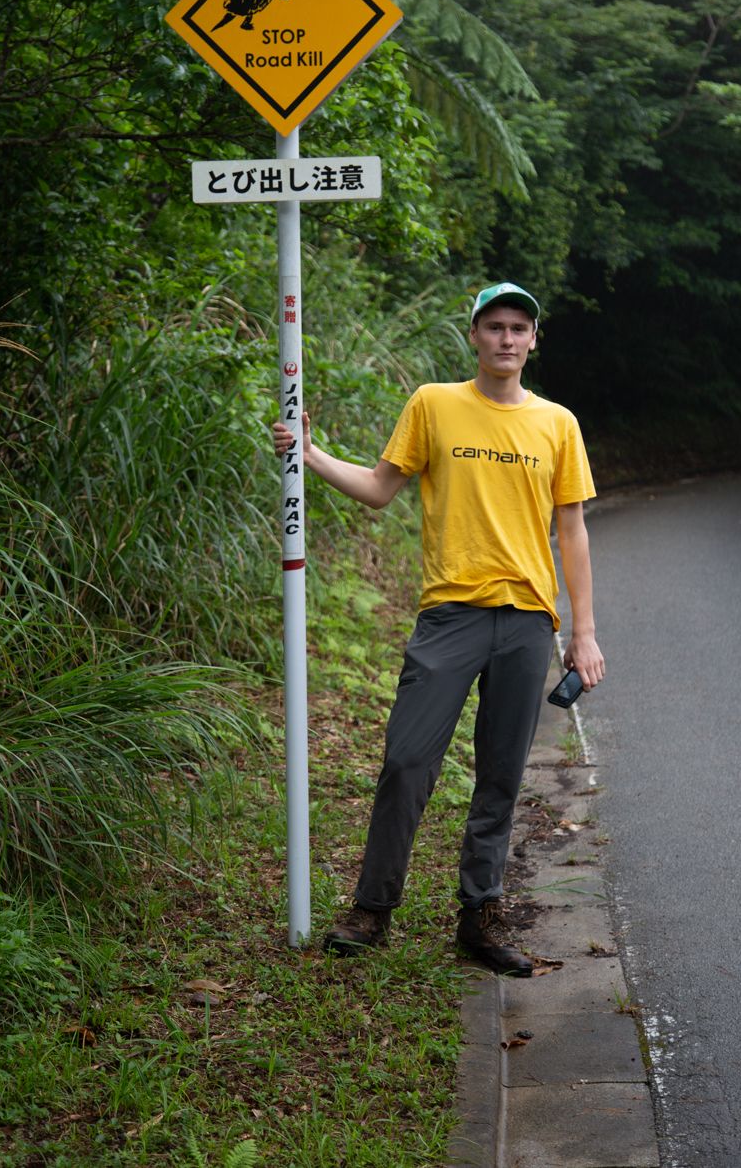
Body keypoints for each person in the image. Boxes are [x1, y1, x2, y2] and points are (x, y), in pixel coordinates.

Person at [272, 281, 605, 974]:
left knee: (501, 776)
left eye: (519, 328)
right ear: (475, 336)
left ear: (534, 340)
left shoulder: (557, 424)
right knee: (407, 759)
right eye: (495, 326)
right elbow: (379, 488)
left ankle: (479, 917)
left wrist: (584, 631)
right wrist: (311, 456)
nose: (507, 339)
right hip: (448, 613)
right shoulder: (434, 405)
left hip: (525, 621)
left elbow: (571, 531)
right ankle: (372, 909)